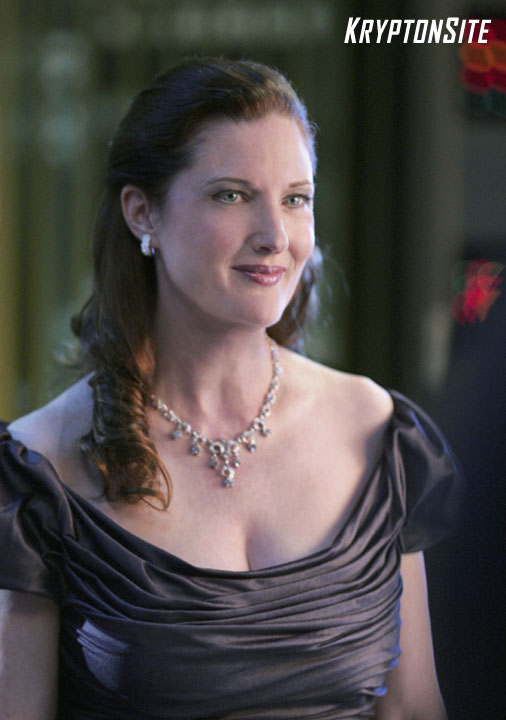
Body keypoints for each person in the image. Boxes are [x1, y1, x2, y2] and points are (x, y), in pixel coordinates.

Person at [0, 57, 461, 720]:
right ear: (142, 213)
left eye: (295, 198)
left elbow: (414, 708)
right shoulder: (38, 468)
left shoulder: (378, 431)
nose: (275, 237)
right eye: (232, 195)